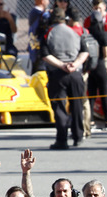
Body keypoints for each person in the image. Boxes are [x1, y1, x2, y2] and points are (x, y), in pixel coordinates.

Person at [41, 7, 88, 150]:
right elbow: (85, 52)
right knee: (77, 105)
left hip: (58, 74)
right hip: (75, 73)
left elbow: (45, 55)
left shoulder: (48, 33)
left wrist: (62, 65)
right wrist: (74, 65)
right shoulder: (75, 32)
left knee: (60, 107)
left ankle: (62, 140)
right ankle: (78, 136)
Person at [85, 0, 107, 133]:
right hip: (100, 64)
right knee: (104, 93)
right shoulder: (102, 35)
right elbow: (105, 52)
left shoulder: (87, 33)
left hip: (90, 65)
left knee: (91, 93)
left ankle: (90, 120)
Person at [28, 0, 50, 74]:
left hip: (35, 48)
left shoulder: (34, 12)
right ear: (42, 1)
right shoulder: (39, 13)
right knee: (39, 73)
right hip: (38, 49)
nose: (48, 2)